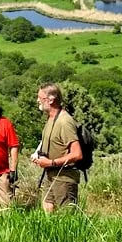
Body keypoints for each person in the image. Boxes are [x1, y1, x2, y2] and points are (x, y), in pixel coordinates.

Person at [30, 83, 83, 212]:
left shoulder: (64, 121)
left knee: (67, 217)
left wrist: (51, 162)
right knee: (48, 210)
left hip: (64, 178)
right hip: (51, 175)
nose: (37, 100)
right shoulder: (51, 119)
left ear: (51, 100)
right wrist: (38, 154)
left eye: (40, 98)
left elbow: (77, 154)